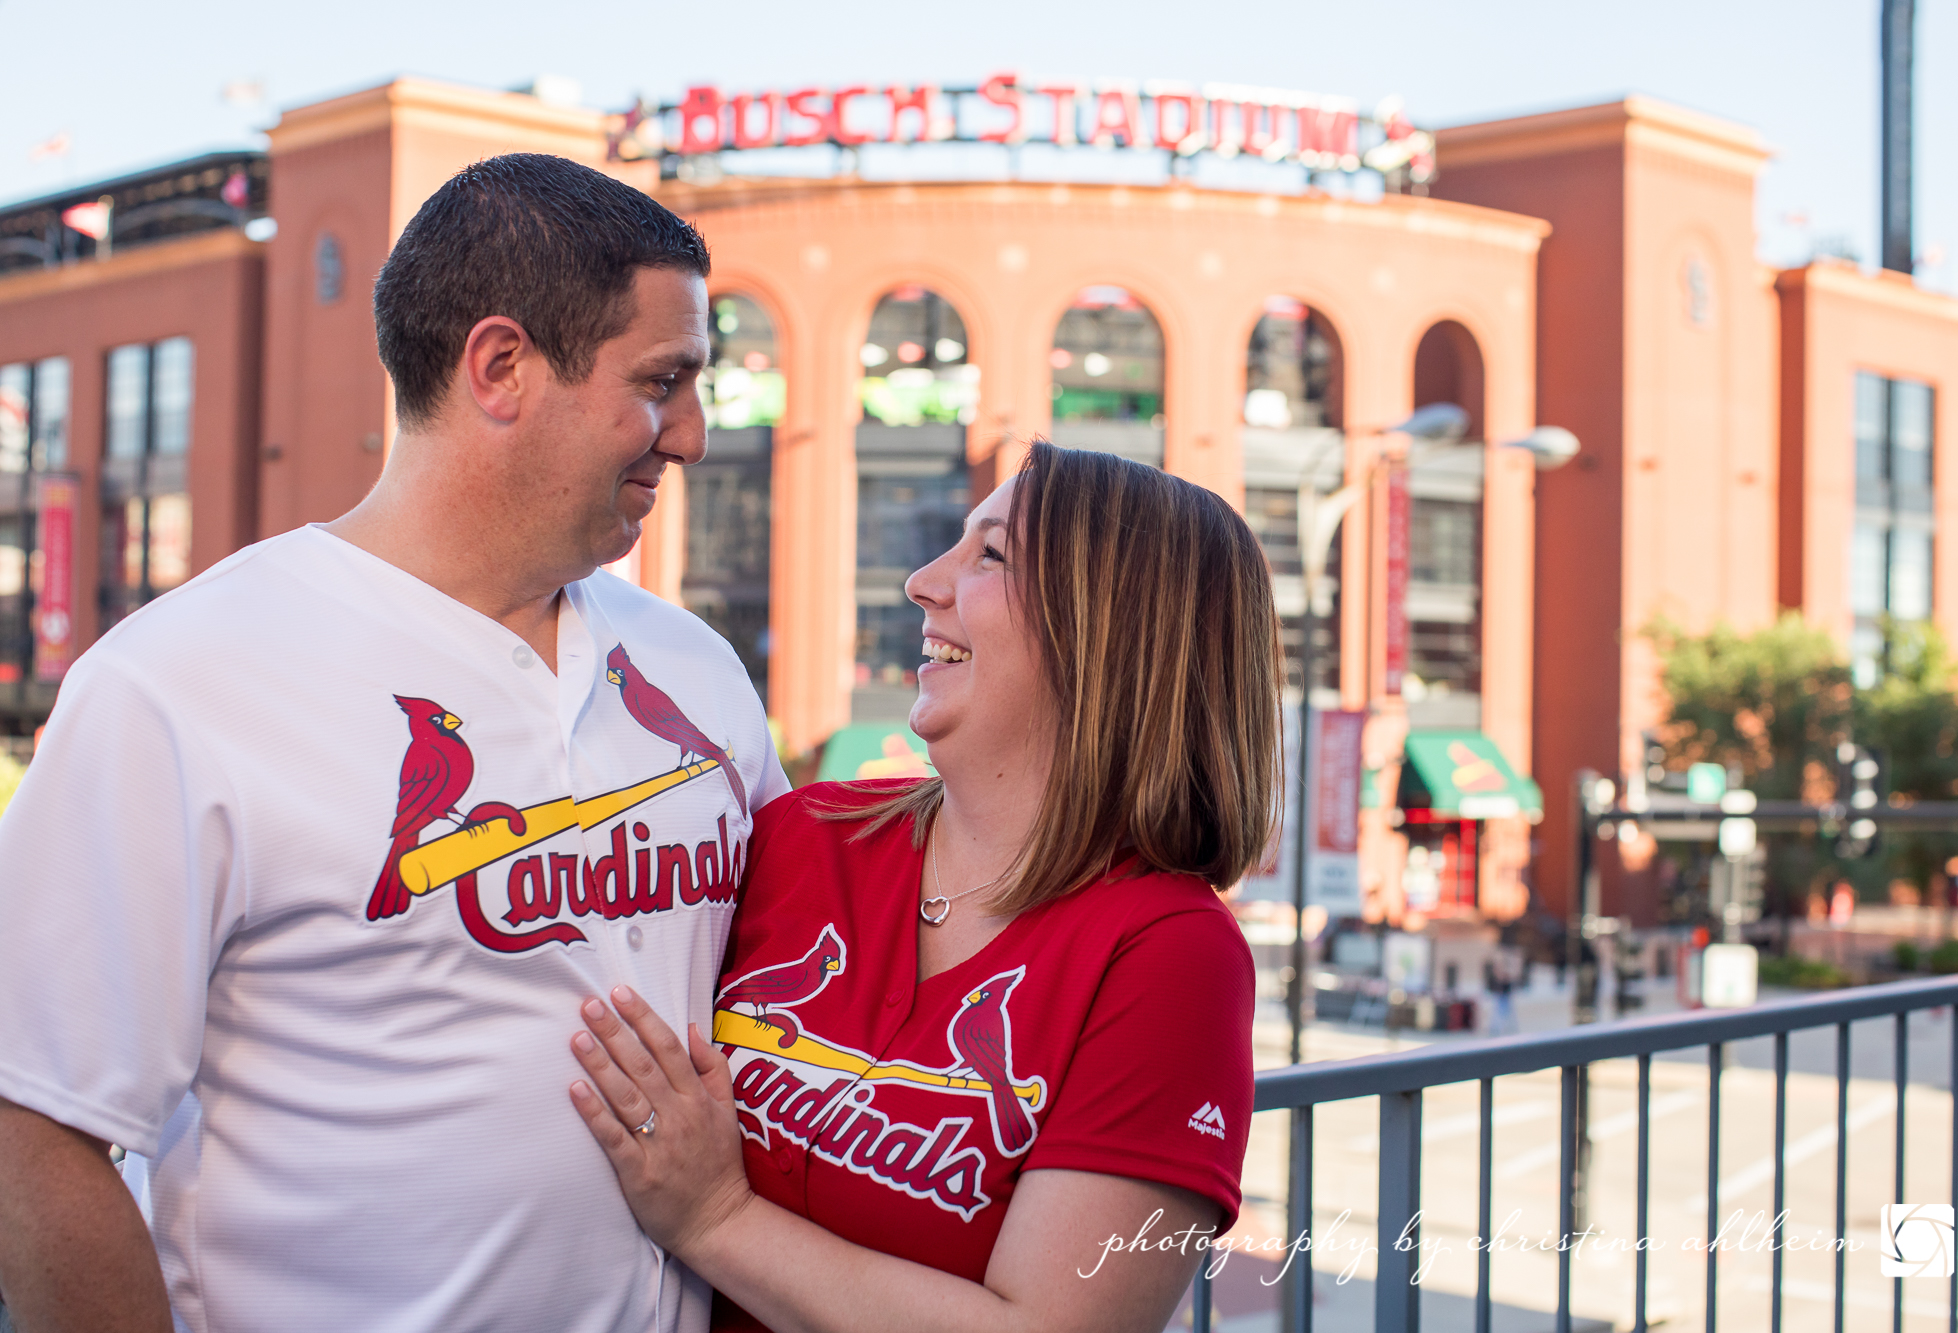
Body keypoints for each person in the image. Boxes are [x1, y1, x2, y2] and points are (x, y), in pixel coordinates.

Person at [0, 154, 785, 1332]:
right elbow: (38, 1126)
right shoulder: (178, 682)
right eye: (662, 381)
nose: (691, 436)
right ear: (502, 366)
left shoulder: (696, 667)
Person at [567, 443, 1280, 1333]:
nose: (920, 581)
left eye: (991, 554)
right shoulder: (805, 835)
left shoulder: (1171, 953)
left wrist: (717, 1218)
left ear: (1111, 631)